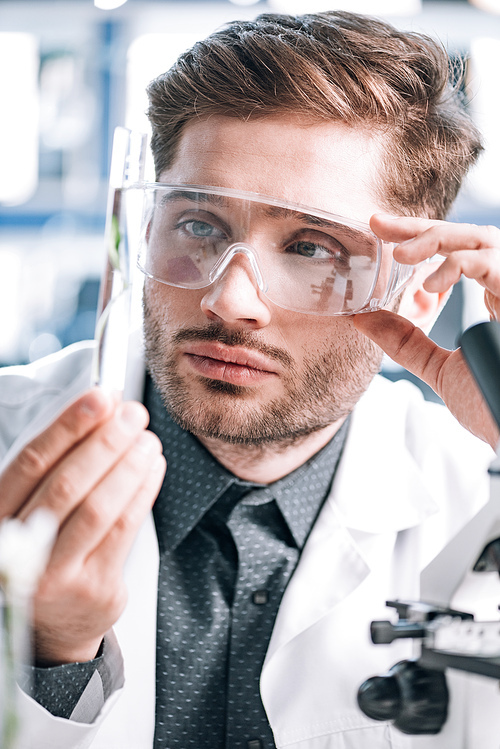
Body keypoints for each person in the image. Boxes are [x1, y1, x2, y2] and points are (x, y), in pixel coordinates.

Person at [1, 10, 500, 749]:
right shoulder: (14, 441)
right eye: (199, 225)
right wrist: (41, 649)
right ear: (144, 227)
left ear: (420, 290)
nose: (229, 301)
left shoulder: (477, 495)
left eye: (312, 247)